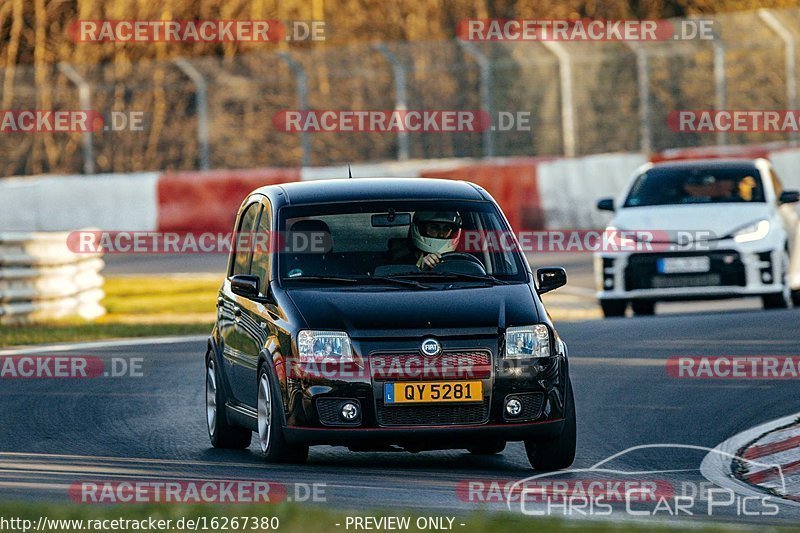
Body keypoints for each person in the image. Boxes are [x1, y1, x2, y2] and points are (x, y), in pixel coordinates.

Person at [389, 211, 462, 270]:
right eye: (434, 227)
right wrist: (420, 268)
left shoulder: (459, 260)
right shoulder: (401, 262)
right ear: (422, 229)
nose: (441, 234)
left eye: (446, 229)